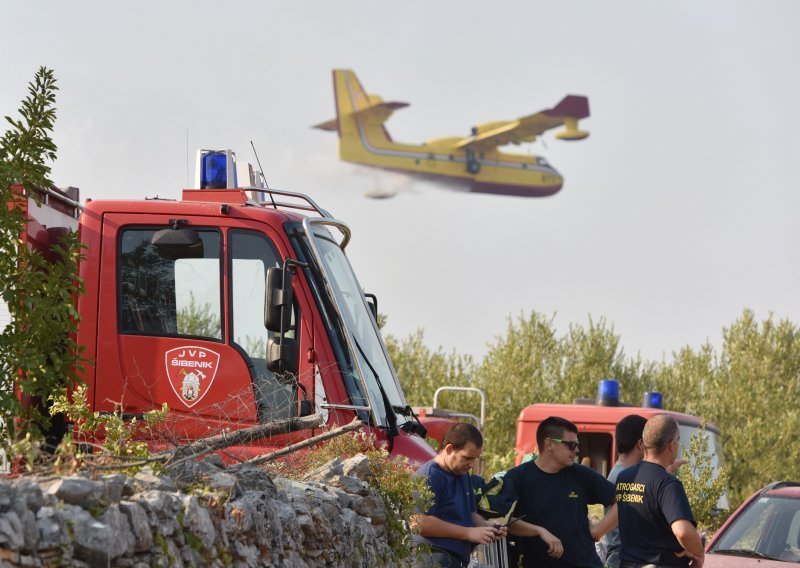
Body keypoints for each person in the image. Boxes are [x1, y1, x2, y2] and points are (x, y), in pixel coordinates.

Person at [500, 416, 617, 567]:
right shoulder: (518, 477)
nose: (577, 450)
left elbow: (620, 502)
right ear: (549, 444)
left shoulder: (581, 474)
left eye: (577, 445)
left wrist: (597, 532)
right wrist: (539, 531)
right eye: (571, 445)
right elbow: (506, 522)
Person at [411, 423, 507, 567]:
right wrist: (468, 533)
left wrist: (487, 526)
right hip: (432, 558)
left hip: (455, 560)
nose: (472, 464)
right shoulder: (428, 476)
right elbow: (418, 522)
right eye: (468, 458)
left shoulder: (463, 474)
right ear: (449, 449)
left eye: (475, 459)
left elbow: (470, 513)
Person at [616, 414, 704, 568]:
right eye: (677, 440)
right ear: (671, 445)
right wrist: (699, 551)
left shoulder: (624, 477)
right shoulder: (668, 484)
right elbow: (683, 532)